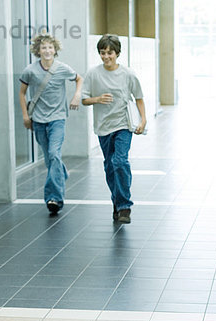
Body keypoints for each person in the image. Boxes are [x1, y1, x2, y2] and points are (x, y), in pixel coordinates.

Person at [81, 34, 147, 224]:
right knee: (110, 166)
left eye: (110, 53)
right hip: (103, 127)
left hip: (123, 125)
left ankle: (124, 206)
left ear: (117, 53)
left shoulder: (128, 74)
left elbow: (139, 98)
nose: (106, 57)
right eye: (102, 53)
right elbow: (84, 99)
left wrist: (143, 121)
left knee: (119, 162)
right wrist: (97, 99)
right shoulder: (93, 74)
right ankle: (117, 201)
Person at [19, 33, 83, 215]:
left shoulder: (62, 68)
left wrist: (77, 95)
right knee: (50, 159)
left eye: (50, 47)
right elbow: (22, 93)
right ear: (38, 51)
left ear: (55, 50)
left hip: (57, 118)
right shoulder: (30, 70)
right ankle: (61, 173)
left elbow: (79, 78)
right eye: (43, 48)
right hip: (38, 120)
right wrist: (25, 116)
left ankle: (53, 198)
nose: (47, 51)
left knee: (54, 154)